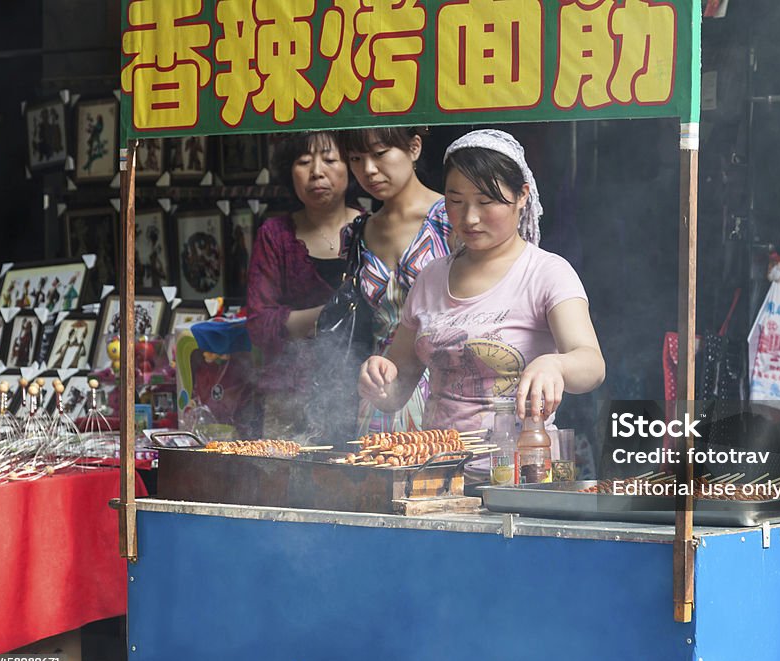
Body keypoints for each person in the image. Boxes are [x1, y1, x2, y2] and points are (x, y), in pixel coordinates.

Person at [358, 129, 605, 478]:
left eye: (486, 202)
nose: (469, 218)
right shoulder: (430, 277)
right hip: (439, 476)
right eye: (455, 201)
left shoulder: (547, 273)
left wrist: (556, 365)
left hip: (521, 476)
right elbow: (397, 387)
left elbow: (592, 366)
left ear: (522, 196)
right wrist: (378, 379)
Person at [246, 130, 363, 443]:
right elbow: (259, 324)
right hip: (288, 400)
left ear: (352, 166)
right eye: (303, 161)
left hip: (361, 396)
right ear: (290, 171)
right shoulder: (276, 234)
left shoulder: (372, 229)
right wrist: (332, 314)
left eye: (329, 159)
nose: (316, 172)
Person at [337, 127, 453, 435]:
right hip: (381, 387)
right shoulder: (356, 233)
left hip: (445, 386)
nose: (368, 170)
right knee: (378, 476)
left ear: (414, 148)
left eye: (379, 154)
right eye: (356, 158)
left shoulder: (451, 218)